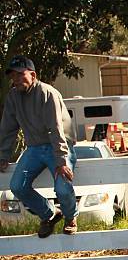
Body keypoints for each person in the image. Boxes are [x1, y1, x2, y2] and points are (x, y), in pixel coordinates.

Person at [0, 56, 78, 237]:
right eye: (13, 76)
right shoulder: (13, 97)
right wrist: (3, 155)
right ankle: (49, 214)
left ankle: (70, 217)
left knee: (62, 187)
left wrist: (61, 161)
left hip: (59, 145)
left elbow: (56, 129)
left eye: (20, 75)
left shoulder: (47, 93)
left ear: (33, 75)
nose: (16, 80)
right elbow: (7, 129)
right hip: (34, 148)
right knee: (17, 186)